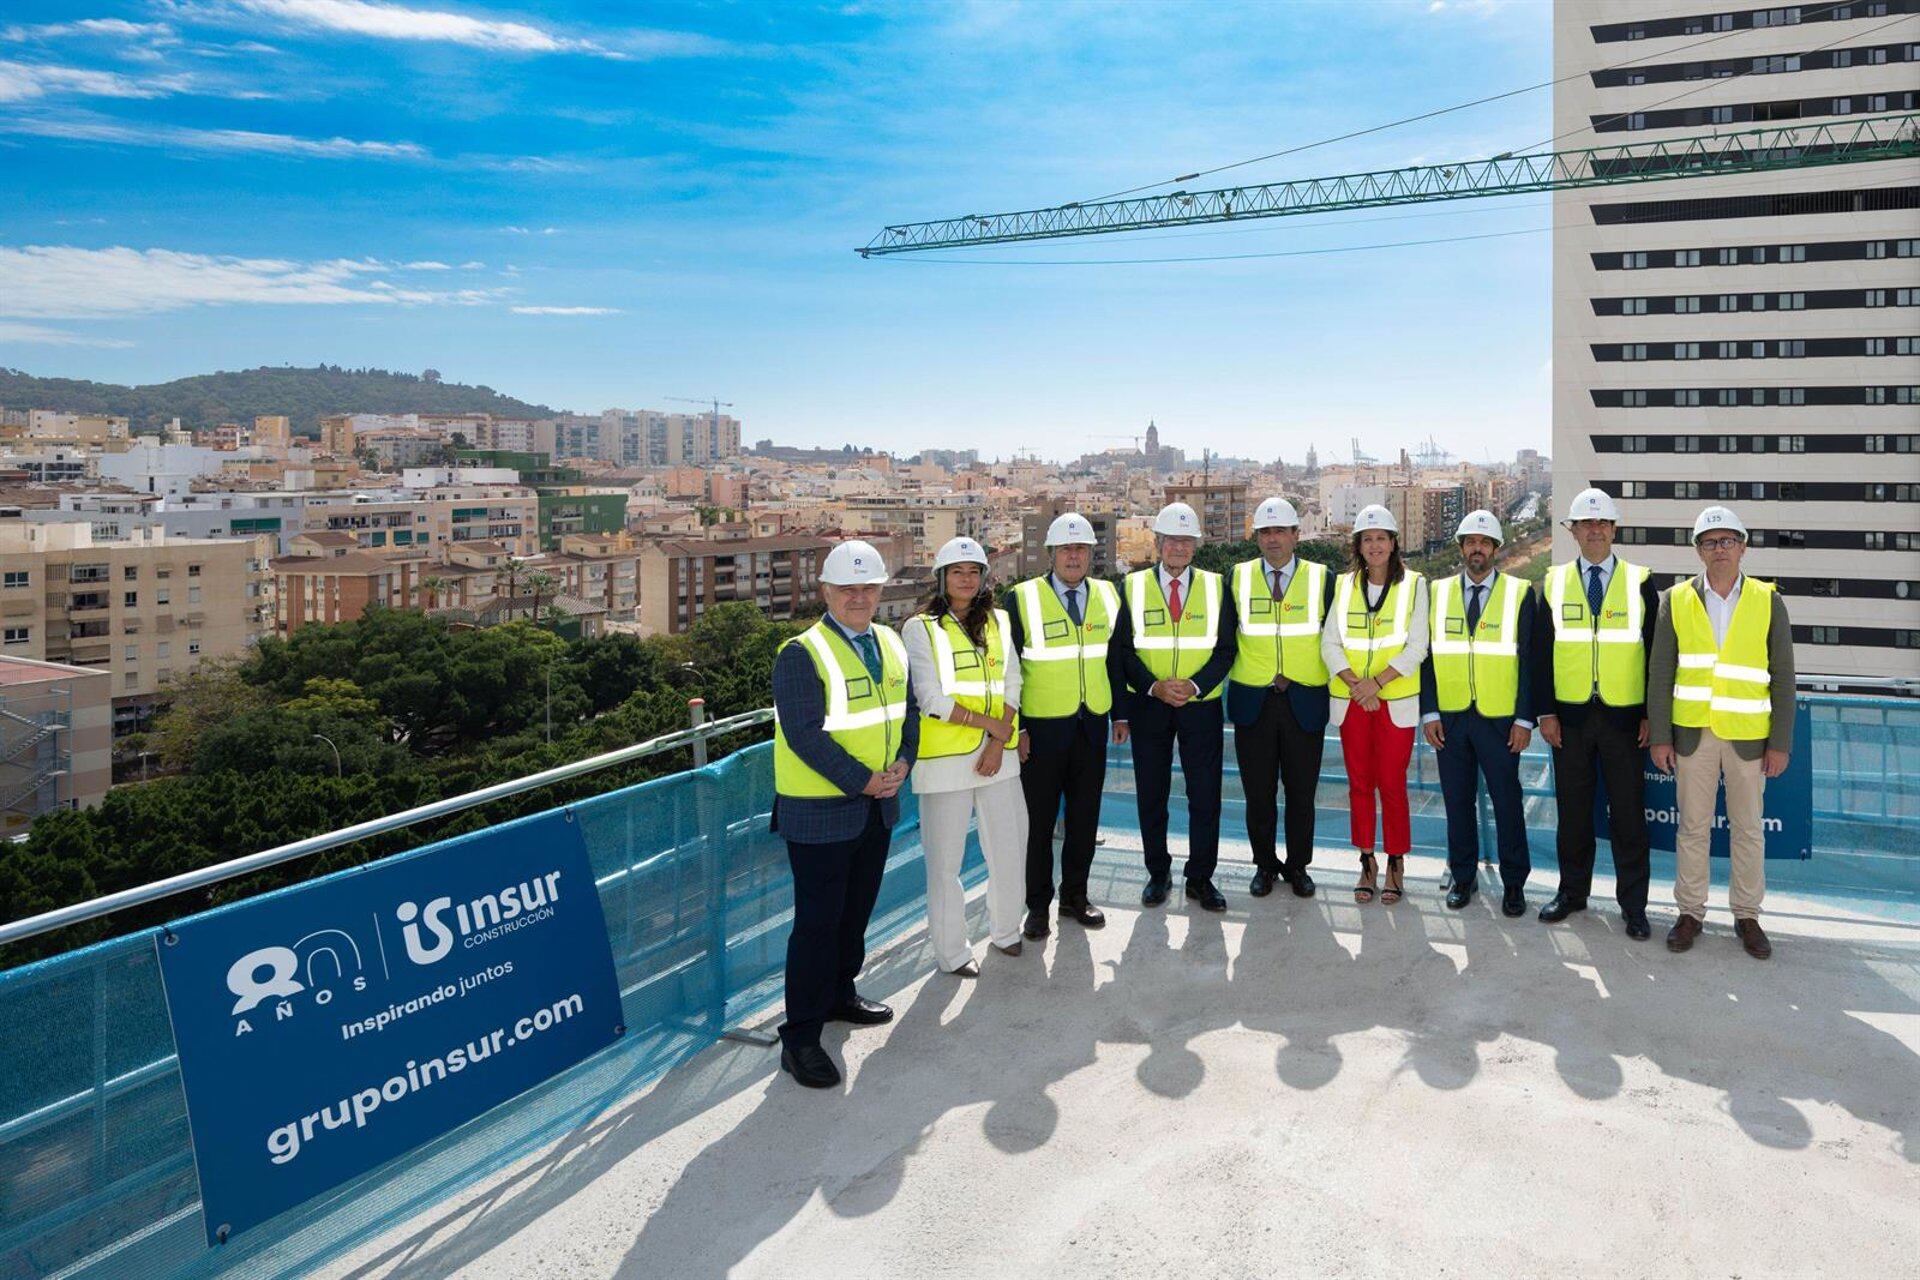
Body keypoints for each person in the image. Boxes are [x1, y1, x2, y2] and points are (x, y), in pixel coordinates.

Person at [769, 539, 917, 1089]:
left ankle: (839, 994)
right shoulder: (800, 653)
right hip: (821, 815)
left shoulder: (891, 643)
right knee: (816, 925)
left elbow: (908, 711)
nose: (859, 597)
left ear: (880, 591)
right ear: (826, 592)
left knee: (855, 914)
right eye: (848, 588)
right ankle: (801, 1037)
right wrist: (864, 780)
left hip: (876, 808)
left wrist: (904, 762)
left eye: (868, 587)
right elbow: (805, 735)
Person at [1648, 506, 1795, 960]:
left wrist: (1780, 742)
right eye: (1710, 542)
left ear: (1743, 546)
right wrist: (1660, 735)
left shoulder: (1767, 599)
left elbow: (1783, 674)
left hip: (1749, 738)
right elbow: (1660, 671)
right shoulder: (1675, 599)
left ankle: (1747, 915)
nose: (1720, 549)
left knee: (1748, 829)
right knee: (1692, 827)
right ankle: (1690, 912)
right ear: (1698, 550)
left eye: (1728, 540)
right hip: (1692, 735)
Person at [1533, 487, 1659, 940]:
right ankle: (1572, 893)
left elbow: (1655, 654)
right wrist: (1545, 712)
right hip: (1569, 720)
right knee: (1573, 813)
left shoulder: (1640, 581)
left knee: (1628, 815)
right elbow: (1540, 653)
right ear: (1573, 531)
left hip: (1625, 721)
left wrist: (1650, 715)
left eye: (1603, 523)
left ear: (1614, 529)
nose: (1595, 531)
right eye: (1586, 524)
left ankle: (1634, 907)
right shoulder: (1552, 582)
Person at [904, 536, 1029, 977]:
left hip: (999, 757)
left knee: (1009, 848)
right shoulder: (920, 628)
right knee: (945, 864)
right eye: (957, 572)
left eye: (974, 572)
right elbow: (929, 697)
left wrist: (1000, 740)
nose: (966, 579)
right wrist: (989, 727)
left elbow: (1012, 681)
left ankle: (1006, 931)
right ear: (942, 579)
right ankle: (953, 951)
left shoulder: (1000, 621)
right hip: (945, 763)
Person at [1111, 501, 1236, 912]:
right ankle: (1157, 873)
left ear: (1195, 545)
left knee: (1205, 795)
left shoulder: (1218, 586)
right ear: (1158, 543)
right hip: (1150, 706)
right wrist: (1153, 688)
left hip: (1201, 706)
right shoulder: (1130, 587)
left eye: (1187, 541)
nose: (1178, 548)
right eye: (1172, 540)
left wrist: (1196, 686)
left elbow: (1225, 650)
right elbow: (1122, 652)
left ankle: (1201, 876)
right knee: (1152, 793)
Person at [1007, 512, 1124, 940]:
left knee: (1084, 817)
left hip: (1091, 724)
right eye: (1066, 549)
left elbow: (1115, 660)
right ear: (1051, 554)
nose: (1074, 556)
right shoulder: (1021, 599)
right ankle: (1037, 905)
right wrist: (1016, 726)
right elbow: (1010, 669)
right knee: (1037, 823)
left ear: (1091, 554)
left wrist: (1121, 713)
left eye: (1081, 549)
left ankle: (1076, 896)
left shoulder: (1110, 596)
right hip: (1040, 730)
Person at [1418, 510, 1539, 916]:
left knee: (1508, 802)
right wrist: (1429, 712)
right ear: (1461, 547)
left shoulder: (1520, 594)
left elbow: (1529, 662)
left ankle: (1514, 884)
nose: (1477, 549)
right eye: (1470, 541)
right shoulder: (1436, 593)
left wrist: (1525, 719)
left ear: (1496, 549)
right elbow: (1427, 658)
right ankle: (1463, 877)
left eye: (1484, 542)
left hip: (1500, 720)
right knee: (1457, 802)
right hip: (1450, 720)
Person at [1224, 496, 1335, 899]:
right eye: (1265, 532)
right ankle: (1264, 865)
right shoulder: (1236, 577)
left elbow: (1336, 638)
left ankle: (1299, 866)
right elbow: (1223, 639)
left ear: (1296, 535)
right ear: (1256, 538)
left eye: (1280, 532)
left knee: (1302, 793)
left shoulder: (1323, 578)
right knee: (1259, 792)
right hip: (1254, 700)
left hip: (1304, 701)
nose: (1273, 540)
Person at [1323, 504, 1428, 905]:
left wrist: (1376, 684)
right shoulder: (1343, 585)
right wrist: (1357, 686)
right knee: (1360, 784)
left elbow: (1418, 645)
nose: (1374, 545)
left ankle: (1396, 861)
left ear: (1394, 543)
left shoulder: (1415, 584)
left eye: (1381, 538)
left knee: (1393, 784)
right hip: (1354, 703)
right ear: (1358, 546)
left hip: (1393, 703)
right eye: (1367, 539)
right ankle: (1366, 859)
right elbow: (1329, 642)